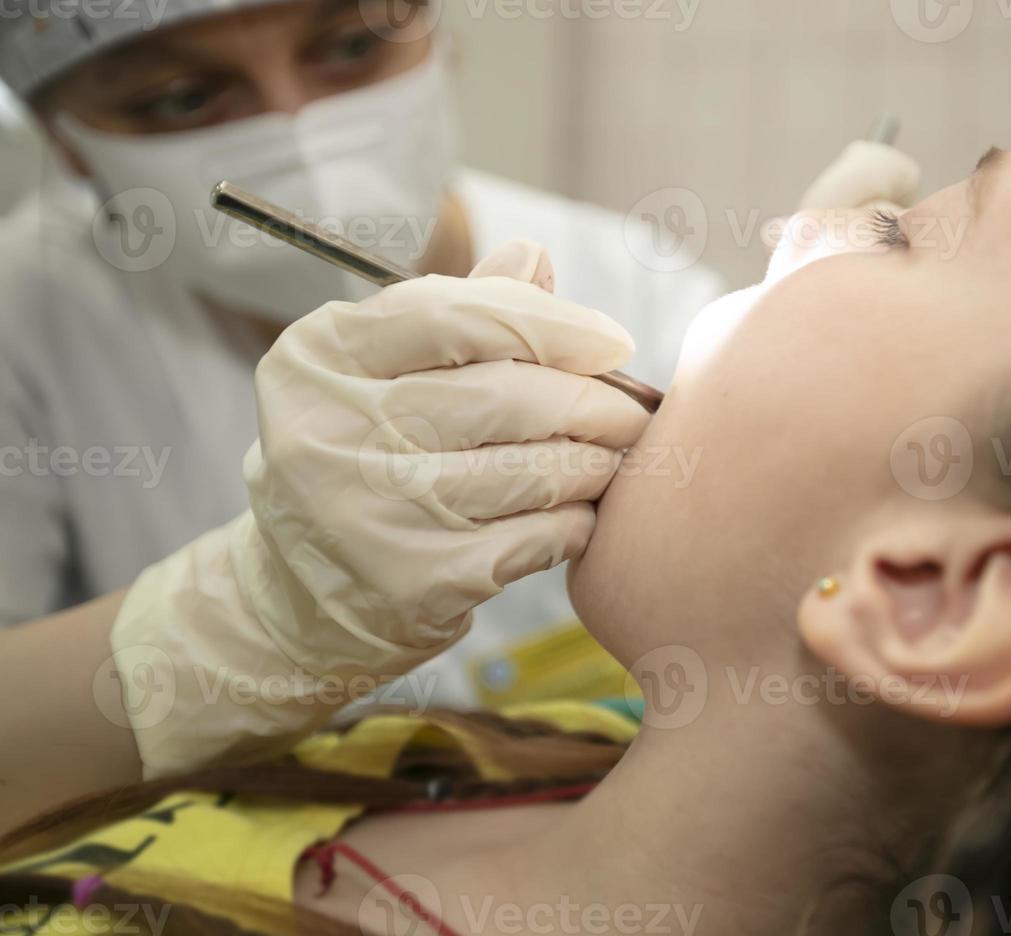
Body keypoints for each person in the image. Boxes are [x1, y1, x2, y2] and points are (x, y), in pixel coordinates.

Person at [3, 103, 1011, 936]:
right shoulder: (547, 737)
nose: (795, 225)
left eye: (903, 235)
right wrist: (209, 635)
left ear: (934, 601)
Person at [0, 0, 739, 705]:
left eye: (353, 45)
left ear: (442, 35)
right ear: (65, 142)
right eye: (184, 97)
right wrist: (259, 617)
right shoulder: (28, 323)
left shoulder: (646, 290)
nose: (296, 128)